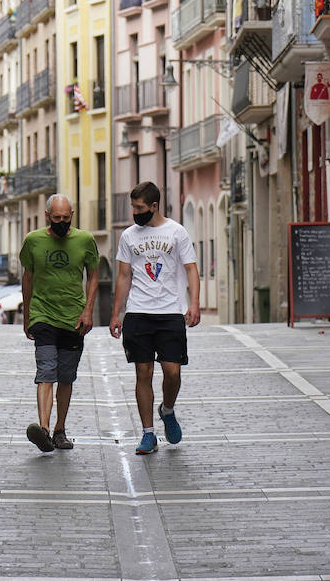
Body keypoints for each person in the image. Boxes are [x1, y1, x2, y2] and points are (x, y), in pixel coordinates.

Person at [110, 181, 199, 455]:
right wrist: (117, 313)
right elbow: (124, 276)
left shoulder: (177, 232)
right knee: (143, 372)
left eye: (139, 208)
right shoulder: (128, 236)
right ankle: (148, 434)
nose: (135, 212)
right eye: (133, 207)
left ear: (154, 206)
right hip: (138, 313)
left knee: (172, 372)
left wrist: (194, 303)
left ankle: (167, 410)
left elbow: (191, 269)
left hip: (170, 311)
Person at [19, 194, 99, 453]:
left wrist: (88, 310)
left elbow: (93, 275)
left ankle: (59, 430)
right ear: (47, 216)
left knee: (66, 377)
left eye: (66, 218)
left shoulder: (85, 240)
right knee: (46, 370)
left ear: (72, 215)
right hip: (43, 314)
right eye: (57, 218)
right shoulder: (33, 241)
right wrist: (28, 314)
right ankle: (43, 430)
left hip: (73, 318)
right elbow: (28, 277)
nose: (62, 222)